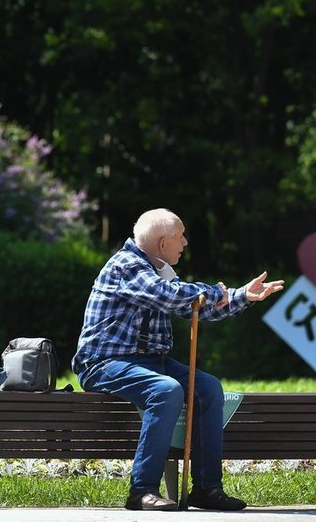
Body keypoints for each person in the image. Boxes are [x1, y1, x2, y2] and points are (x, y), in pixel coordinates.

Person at [72, 208, 284, 511]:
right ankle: (141, 491)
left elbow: (193, 307)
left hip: (151, 362)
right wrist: (213, 291)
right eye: (180, 236)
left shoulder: (158, 269)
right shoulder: (127, 265)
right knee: (165, 390)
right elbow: (169, 295)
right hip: (105, 363)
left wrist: (241, 296)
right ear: (162, 244)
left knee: (209, 388)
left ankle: (207, 489)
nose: (184, 243)